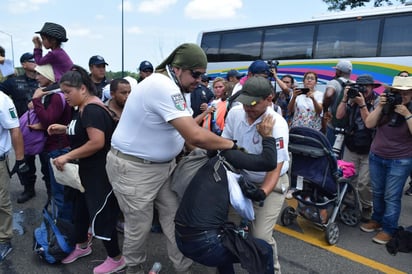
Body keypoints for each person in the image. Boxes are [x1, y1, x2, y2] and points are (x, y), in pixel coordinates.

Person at [106, 43, 239, 274]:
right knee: (140, 226)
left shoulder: (175, 88)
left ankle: (183, 268)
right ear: (177, 69)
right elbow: (194, 134)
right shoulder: (160, 85)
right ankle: (133, 269)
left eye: (202, 75)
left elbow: (184, 132)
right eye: (195, 74)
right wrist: (232, 145)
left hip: (162, 168)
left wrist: (202, 150)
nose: (199, 80)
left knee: (174, 218)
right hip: (135, 169)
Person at [175, 114, 277, 274]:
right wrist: (268, 137)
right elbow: (269, 162)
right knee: (264, 250)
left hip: (181, 240)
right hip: (206, 244)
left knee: (227, 237)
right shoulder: (229, 155)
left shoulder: (210, 162)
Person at [48, 65, 125, 273]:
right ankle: (82, 245)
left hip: (98, 174)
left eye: (67, 92)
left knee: (102, 215)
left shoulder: (91, 109)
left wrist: (67, 156)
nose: (65, 97)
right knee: (79, 211)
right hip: (84, 173)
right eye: (62, 92)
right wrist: (64, 128)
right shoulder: (82, 108)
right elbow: (85, 129)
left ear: (82, 88)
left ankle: (116, 258)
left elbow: (97, 142)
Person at [222, 76, 290, 273]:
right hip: (241, 180)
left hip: (269, 183)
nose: (247, 108)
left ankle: (272, 270)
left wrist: (263, 192)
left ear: (269, 99)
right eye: (244, 103)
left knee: (260, 236)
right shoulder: (236, 113)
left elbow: (275, 166)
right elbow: (224, 142)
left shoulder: (277, 124)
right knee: (226, 228)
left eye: (252, 104)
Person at [361, 76, 412, 245]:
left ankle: (389, 229)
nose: (402, 96)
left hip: (400, 160)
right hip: (377, 155)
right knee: (378, 191)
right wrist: (382, 105)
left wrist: (406, 114)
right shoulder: (385, 105)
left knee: (392, 196)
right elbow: (369, 123)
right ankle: (377, 220)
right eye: (398, 92)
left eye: (406, 93)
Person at [0, 52, 50, 203]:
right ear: (23, 64)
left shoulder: (44, 80)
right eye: (31, 61)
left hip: (44, 129)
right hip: (23, 130)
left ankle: (51, 193)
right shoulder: (13, 82)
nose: (35, 63)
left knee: (47, 164)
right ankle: (28, 189)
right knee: (26, 164)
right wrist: (6, 66)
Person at [30, 64, 73, 219]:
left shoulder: (55, 96)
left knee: (60, 192)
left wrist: (36, 100)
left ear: (48, 76)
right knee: (62, 191)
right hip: (59, 146)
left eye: (39, 74)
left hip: (58, 148)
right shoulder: (56, 95)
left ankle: (65, 229)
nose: (36, 78)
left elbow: (49, 120)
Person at [335, 74, 380, 221]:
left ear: (372, 87)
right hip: (351, 144)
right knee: (348, 177)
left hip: (369, 146)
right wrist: (345, 98)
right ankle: (350, 203)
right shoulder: (352, 98)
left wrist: (362, 104)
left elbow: (369, 123)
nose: (363, 89)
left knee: (364, 182)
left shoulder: (378, 101)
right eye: (360, 86)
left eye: (366, 86)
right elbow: (339, 116)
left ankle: (367, 206)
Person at [0, 90, 29, 261]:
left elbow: (15, 130)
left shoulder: (2, 100)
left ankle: (4, 239)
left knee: (1, 201)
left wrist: (20, 160)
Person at [322, 60, 353, 145]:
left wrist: (325, 110)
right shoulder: (354, 84)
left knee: (330, 151)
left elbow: (328, 95)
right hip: (348, 126)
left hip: (333, 124)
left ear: (339, 71)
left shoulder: (334, 82)